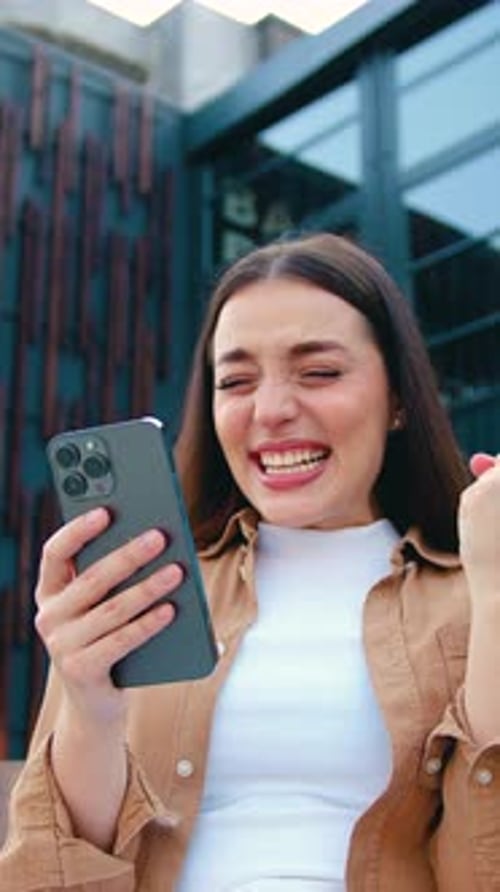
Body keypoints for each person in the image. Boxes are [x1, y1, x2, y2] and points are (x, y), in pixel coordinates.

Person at [1, 232, 499, 891]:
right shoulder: (140, 591)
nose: (270, 412)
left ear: (400, 398)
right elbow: (51, 876)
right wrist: (90, 704)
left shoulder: (473, 589)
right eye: (235, 381)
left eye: (319, 372)